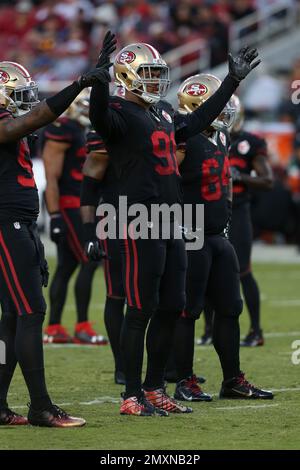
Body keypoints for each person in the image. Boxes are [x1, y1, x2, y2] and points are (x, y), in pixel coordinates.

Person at [85, 31, 260, 416]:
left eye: (156, 73)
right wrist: (98, 83)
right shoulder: (116, 112)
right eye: (146, 73)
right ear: (127, 76)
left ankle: (154, 387)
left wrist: (232, 81)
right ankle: (131, 394)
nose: (154, 80)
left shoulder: (161, 111)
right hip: (138, 220)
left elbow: (196, 121)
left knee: (172, 306)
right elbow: (99, 116)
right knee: (141, 308)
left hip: (172, 219)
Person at [0, 57, 110, 426]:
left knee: (15, 318)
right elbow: (37, 118)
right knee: (31, 314)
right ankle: (41, 406)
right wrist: (79, 84)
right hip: (6, 225)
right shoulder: (7, 123)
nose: (25, 101)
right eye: (17, 94)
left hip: (20, 225)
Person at [171, 74, 273, 402]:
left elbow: (225, 179)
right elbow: (163, 182)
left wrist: (225, 214)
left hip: (217, 234)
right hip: (192, 233)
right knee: (188, 310)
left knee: (230, 308)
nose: (225, 109)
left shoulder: (220, 136)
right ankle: (184, 381)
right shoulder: (182, 139)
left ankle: (232, 380)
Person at [42, 91, 107, 345]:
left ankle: (55, 327)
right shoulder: (65, 129)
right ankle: (81, 325)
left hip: (85, 205)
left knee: (68, 266)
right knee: (89, 262)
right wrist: (55, 215)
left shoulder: (87, 129)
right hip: (71, 205)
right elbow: (52, 178)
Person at [82, 126, 125, 384]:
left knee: (159, 294)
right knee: (117, 292)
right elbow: (88, 188)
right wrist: (89, 234)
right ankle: (122, 364)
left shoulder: (158, 119)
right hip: (115, 218)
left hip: (154, 215)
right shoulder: (107, 132)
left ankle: (170, 365)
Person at [229, 95, 273, 346]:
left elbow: (267, 180)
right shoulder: (207, 139)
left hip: (238, 212)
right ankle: (209, 330)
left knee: (243, 271)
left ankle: (256, 330)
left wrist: (241, 177)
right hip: (211, 212)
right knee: (207, 272)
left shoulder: (249, 143)